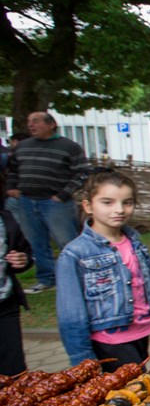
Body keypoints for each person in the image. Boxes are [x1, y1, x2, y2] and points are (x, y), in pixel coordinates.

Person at [56, 172, 150, 369]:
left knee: (140, 383)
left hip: (139, 333)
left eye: (127, 203)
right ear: (88, 206)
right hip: (109, 342)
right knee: (131, 387)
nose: (119, 209)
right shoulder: (76, 253)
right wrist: (83, 360)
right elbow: (71, 314)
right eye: (108, 202)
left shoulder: (134, 242)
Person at [6, 112, 86, 293]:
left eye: (36, 121)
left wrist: (63, 195)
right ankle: (46, 279)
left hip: (56, 203)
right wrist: (12, 187)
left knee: (67, 242)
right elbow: (12, 169)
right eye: (29, 121)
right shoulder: (23, 146)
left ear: (51, 124)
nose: (31, 125)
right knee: (37, 242)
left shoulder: (69, 147)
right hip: (27, 201)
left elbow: (81, 173)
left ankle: (79, 278)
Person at [0, 208, 34, 376]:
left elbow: (23, 250)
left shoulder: (4, 217)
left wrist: (22, 259)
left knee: (15, 374)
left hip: (5, 305)